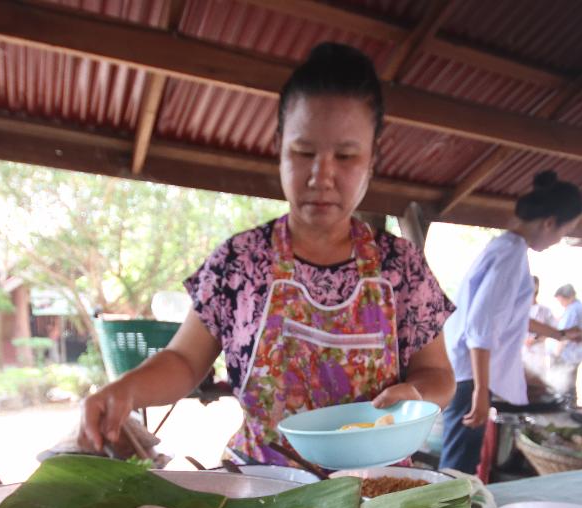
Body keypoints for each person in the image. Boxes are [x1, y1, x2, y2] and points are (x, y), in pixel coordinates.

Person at [79, 43, 456, 463]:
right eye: (303, 152)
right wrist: (126, 389)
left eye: (346, 156)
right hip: (260, 489)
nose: (322, 176)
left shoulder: (401, 266)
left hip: (373, 490)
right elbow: (185, 360)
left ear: (372, 160)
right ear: (278, 146)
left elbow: (439, 375)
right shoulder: (240, 261)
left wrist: (416, 395)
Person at [440, 171, 582, 473]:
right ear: (549, 223)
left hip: (465, 371)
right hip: (470, 376)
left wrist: (559, 334)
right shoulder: (511, 255)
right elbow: (481, 326)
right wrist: (481, 391)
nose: (559, 240)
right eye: (564, 231)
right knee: (458, 466)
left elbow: (513, 319)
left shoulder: (504, 247)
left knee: (460, 457)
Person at [548, 284, 582, 403]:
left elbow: (565, 334)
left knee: (564, 385)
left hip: (567, 353)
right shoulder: (580, 308)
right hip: (574, 352)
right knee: (569, 384)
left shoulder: (573, 309)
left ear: (566, 297)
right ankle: (569, 404)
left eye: (560, 300)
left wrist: (557, 353)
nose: (560, 303)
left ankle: (566, 406)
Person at [523, 276, 556, 383]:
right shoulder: (517, 310)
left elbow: (553, 331)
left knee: (537, 382)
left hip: (538, 352)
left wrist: (536, 339)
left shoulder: (544, 310)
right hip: (521, 352)